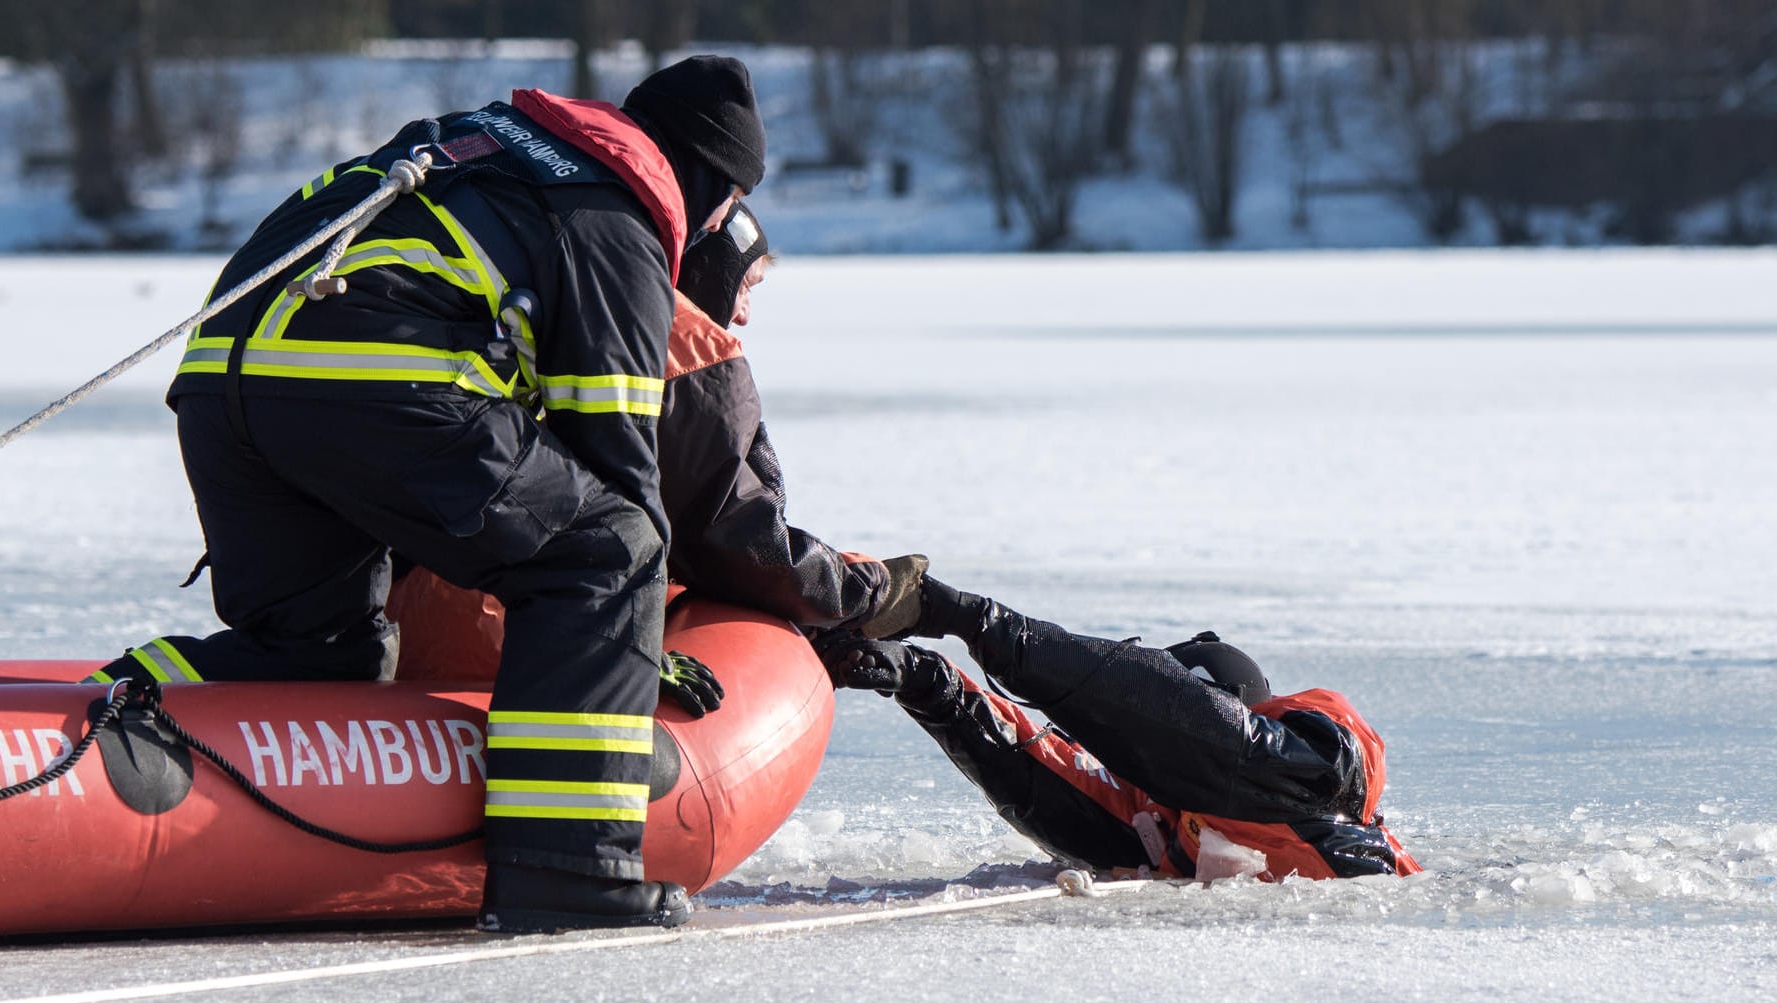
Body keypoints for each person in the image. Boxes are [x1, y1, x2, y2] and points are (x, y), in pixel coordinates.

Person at [88, 56, 776, 934]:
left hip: (227, 382)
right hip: (374, 383)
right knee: (614, 550)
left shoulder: (486, 142)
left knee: (319, 657)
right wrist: (629, 638)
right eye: (726, 203)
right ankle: (568, 868)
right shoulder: (615, 212)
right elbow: (619, 459)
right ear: (712, 184)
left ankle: (117, 703)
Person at [386, 199, 927, 686]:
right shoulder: (681, 347)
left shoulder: (574, 307)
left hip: (421, 606)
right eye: (745, 286)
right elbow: (740, 545)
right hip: (506, 632)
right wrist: (874, 591)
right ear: (708, 270)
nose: (744, 314)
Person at [816, 578, 1421, 881]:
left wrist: (963, 617)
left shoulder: (1320, 769)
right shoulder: (1174, 820)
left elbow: (1152, 708)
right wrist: (926, 684)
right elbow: (1047, 773)